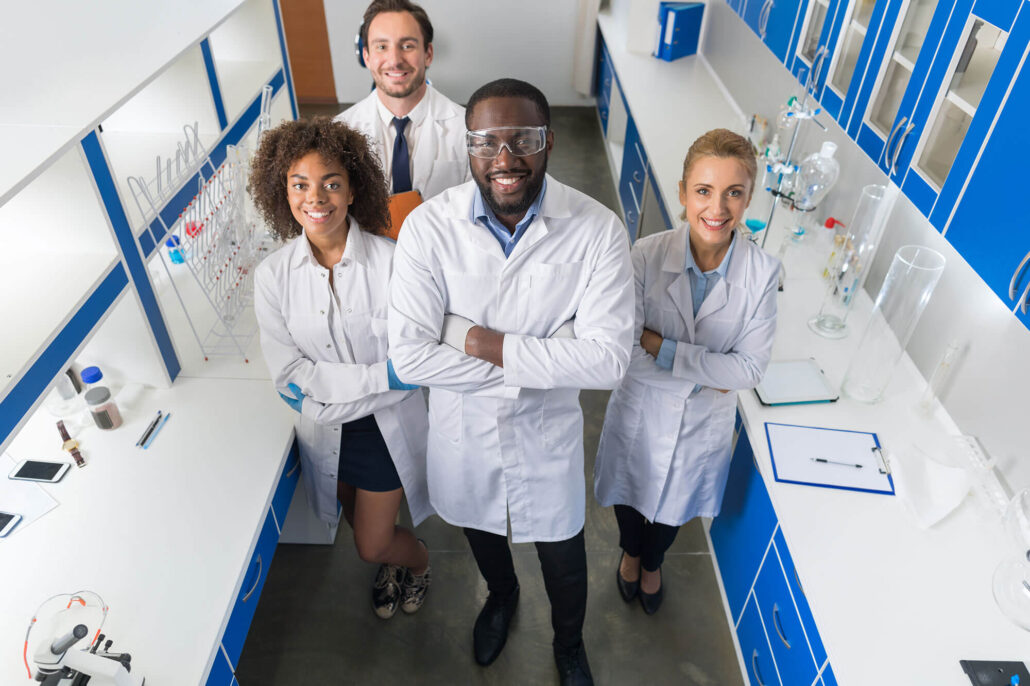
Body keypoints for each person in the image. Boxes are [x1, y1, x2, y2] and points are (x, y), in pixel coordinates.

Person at [388, 79, 634, 685]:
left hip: (546, 439)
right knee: (481, 531)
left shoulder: (597, 229)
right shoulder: (427, 228)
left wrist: (476, 339)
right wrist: (547, 357)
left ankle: (570, 643)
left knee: (565, 557)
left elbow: (607, 362)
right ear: (468, 147)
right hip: (464, 434)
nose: (505, 158)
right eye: (487, 141)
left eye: (522, 139)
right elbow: (411, 359)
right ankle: (501, 597)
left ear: (547, 142)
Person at [251, 117, 433, 620]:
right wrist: (381, 378)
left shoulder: (397, 264)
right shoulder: (272, 277)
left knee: (372, 545)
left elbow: (412, 367)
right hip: (328, 432)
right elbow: (289, 374)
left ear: (353, 190)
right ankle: (397, 560)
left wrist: (322, 391)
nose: (317, 198)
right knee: (357, 522)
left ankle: (416, 563)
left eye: (332, 183)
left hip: (381, 430)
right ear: (282, 192)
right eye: (300, 185)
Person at [594, 128, 780, 615]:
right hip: (642, 412)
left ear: (748, 198)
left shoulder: (762, 274)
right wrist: (710, 373)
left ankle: (652, 564)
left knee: (673, 513)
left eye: (733, 193)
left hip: (700, 429)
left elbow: (750, 369)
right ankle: (631, 556)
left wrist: (663, 347)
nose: (717, 208)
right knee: (631, 500)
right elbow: (626, 353)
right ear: (682, 192)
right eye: (703, 191)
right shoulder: (644, 256)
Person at [335, 0, 470, 201]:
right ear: (366, 57)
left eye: (407, 46)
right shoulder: (339, 132)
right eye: (381, 47)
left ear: (428, 54)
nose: (395, 60)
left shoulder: (467, 128)